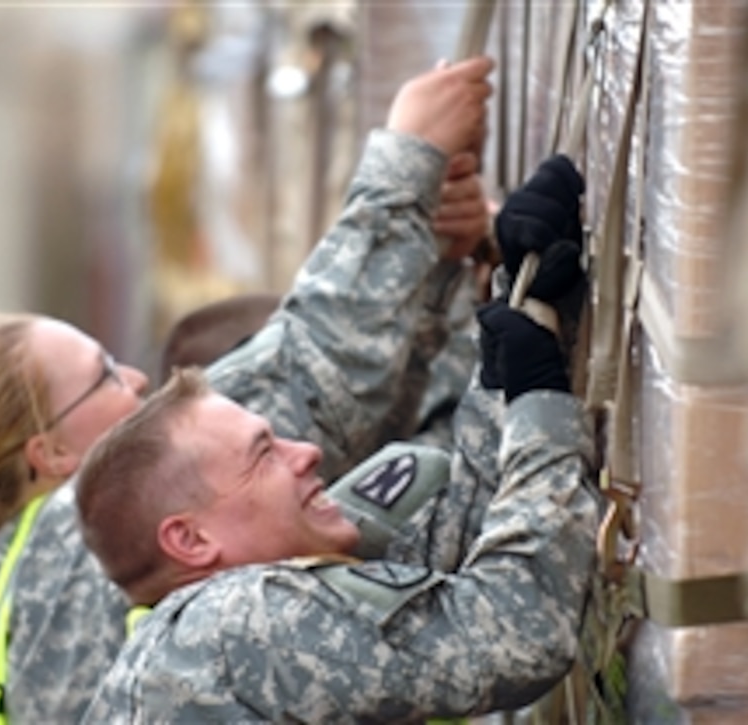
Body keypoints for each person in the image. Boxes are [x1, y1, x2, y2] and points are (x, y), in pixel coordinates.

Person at [0, 56, 495, 724]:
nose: (138, 379)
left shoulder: (18, 581)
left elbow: (358, 429)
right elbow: (315, 378)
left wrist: (435, 266)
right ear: (49, 453)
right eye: (104, 376)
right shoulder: (80, 536)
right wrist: (406, 162)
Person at [75, 155, 599, 722]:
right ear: (191, 540)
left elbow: (446, 553)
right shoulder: (237, 624)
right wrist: (538, 401)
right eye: (263, 456)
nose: (309, 454)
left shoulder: (200, 643)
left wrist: (517, 311)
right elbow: (513, 632)